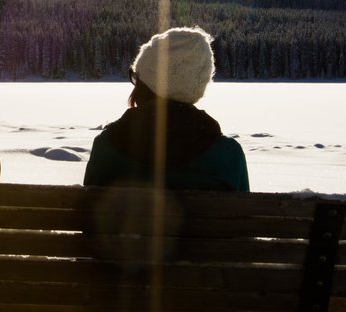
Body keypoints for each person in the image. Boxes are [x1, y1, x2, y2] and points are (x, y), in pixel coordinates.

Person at [83, 26, 248, 192]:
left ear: (146, 85)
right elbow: (245, 215)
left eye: (136, 77)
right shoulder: (229, 155)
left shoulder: (106, 147)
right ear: (195, 88)